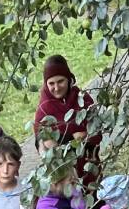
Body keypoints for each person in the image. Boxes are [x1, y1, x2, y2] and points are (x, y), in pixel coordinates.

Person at [35, 54, 102, 190]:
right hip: (63, 178)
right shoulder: (45, 108)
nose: (56, 88)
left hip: (88, 167)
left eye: (60, 81)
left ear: (68, 79)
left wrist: (84, 137)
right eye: (51, 83)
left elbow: (97, 132)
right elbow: (43, 144)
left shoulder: (83, 100)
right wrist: (72, 138)